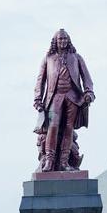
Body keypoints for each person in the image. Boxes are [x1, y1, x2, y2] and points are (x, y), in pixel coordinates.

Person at [33, 29, 95, 172]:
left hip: (73, 98)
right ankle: (49, 161)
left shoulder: (76, 58)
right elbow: (40, 81)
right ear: (55, 41)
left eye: (65, 39)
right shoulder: (48, 59)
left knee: (68, 128)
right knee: (52, 127)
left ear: (69, 40)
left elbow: (87, 78)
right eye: (60, 39)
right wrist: (38, 98)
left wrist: (89, 92)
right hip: (55, 97)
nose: (63, 41)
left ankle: (64, 162)